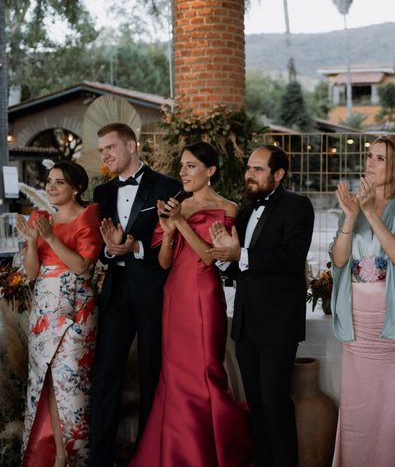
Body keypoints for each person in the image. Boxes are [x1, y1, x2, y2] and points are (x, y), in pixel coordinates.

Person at [130, 142, 254, 465]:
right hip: (175, 295)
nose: (182, 173)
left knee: (208, 369)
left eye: (191, 166)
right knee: (174, 374)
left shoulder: (228, 209)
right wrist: (169, 232)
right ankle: (176, 451)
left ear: (210, 170)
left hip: (203, 296)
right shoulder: (176, 206)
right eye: (181, 166)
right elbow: (164, 263)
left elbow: (211, 258)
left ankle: (213, 450)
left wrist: (181, 223)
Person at [208, 145, 315, 467]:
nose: (249, 174)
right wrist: (222, 258)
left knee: (274, 400)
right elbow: (238, 266)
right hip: (246, 321)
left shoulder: (298, 206)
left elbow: (291, 258)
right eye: (249, 168)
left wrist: (239, 255)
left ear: (278, 174)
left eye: (257, 169)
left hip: (279, 322)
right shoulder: (245, 209)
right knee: (255, 401)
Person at [329, 134, 395, 467]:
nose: (371, 164)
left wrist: (369, 212)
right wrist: (350, 217)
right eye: (370, 157)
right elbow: (340, 261)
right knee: (358, 404)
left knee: (393, 405)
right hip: (356, 318)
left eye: (380, 158)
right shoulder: (356, 204)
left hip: (392, 318)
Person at [89, 123, 181, 467]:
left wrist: (136, 246)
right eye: (101, 150)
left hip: (154, 294)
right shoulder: (102, 193)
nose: (105, 155)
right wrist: (112, 250)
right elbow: (102, 250)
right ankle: (100, 459)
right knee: (106, 376)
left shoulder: (168, 186)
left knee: (151, 375)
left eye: (110, 147)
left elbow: (174, 244)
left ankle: (147, 456)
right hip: (116, 296)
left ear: (131, 145)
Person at [16, 161, 102, 467]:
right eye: (49, 182)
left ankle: (76, 456)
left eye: (59, 183)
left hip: (77, 310)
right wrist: (30, 242)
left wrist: (51, 237)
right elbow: (30, 272)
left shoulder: (88, 215)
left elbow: (82, 267)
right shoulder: (41, 218)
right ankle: (57, 453)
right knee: (47, 380)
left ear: (76, 188)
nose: (50, 187)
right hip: (44, 307)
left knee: (73, 381)